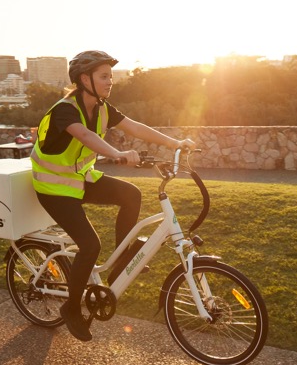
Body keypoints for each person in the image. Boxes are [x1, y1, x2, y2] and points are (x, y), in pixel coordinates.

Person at [30, 50, 195, 342]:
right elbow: (84, 136)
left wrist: (175, 142)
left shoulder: (103, 108)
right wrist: (117, 153)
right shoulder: (65, 110)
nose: (110, 81)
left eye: (111, 76)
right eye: (104, 76)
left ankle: (120, 264)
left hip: (79, 180)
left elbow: (135, 127)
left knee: (130, 195)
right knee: (90, 245)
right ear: (85, 79)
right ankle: (71, 308)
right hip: (54, 188)